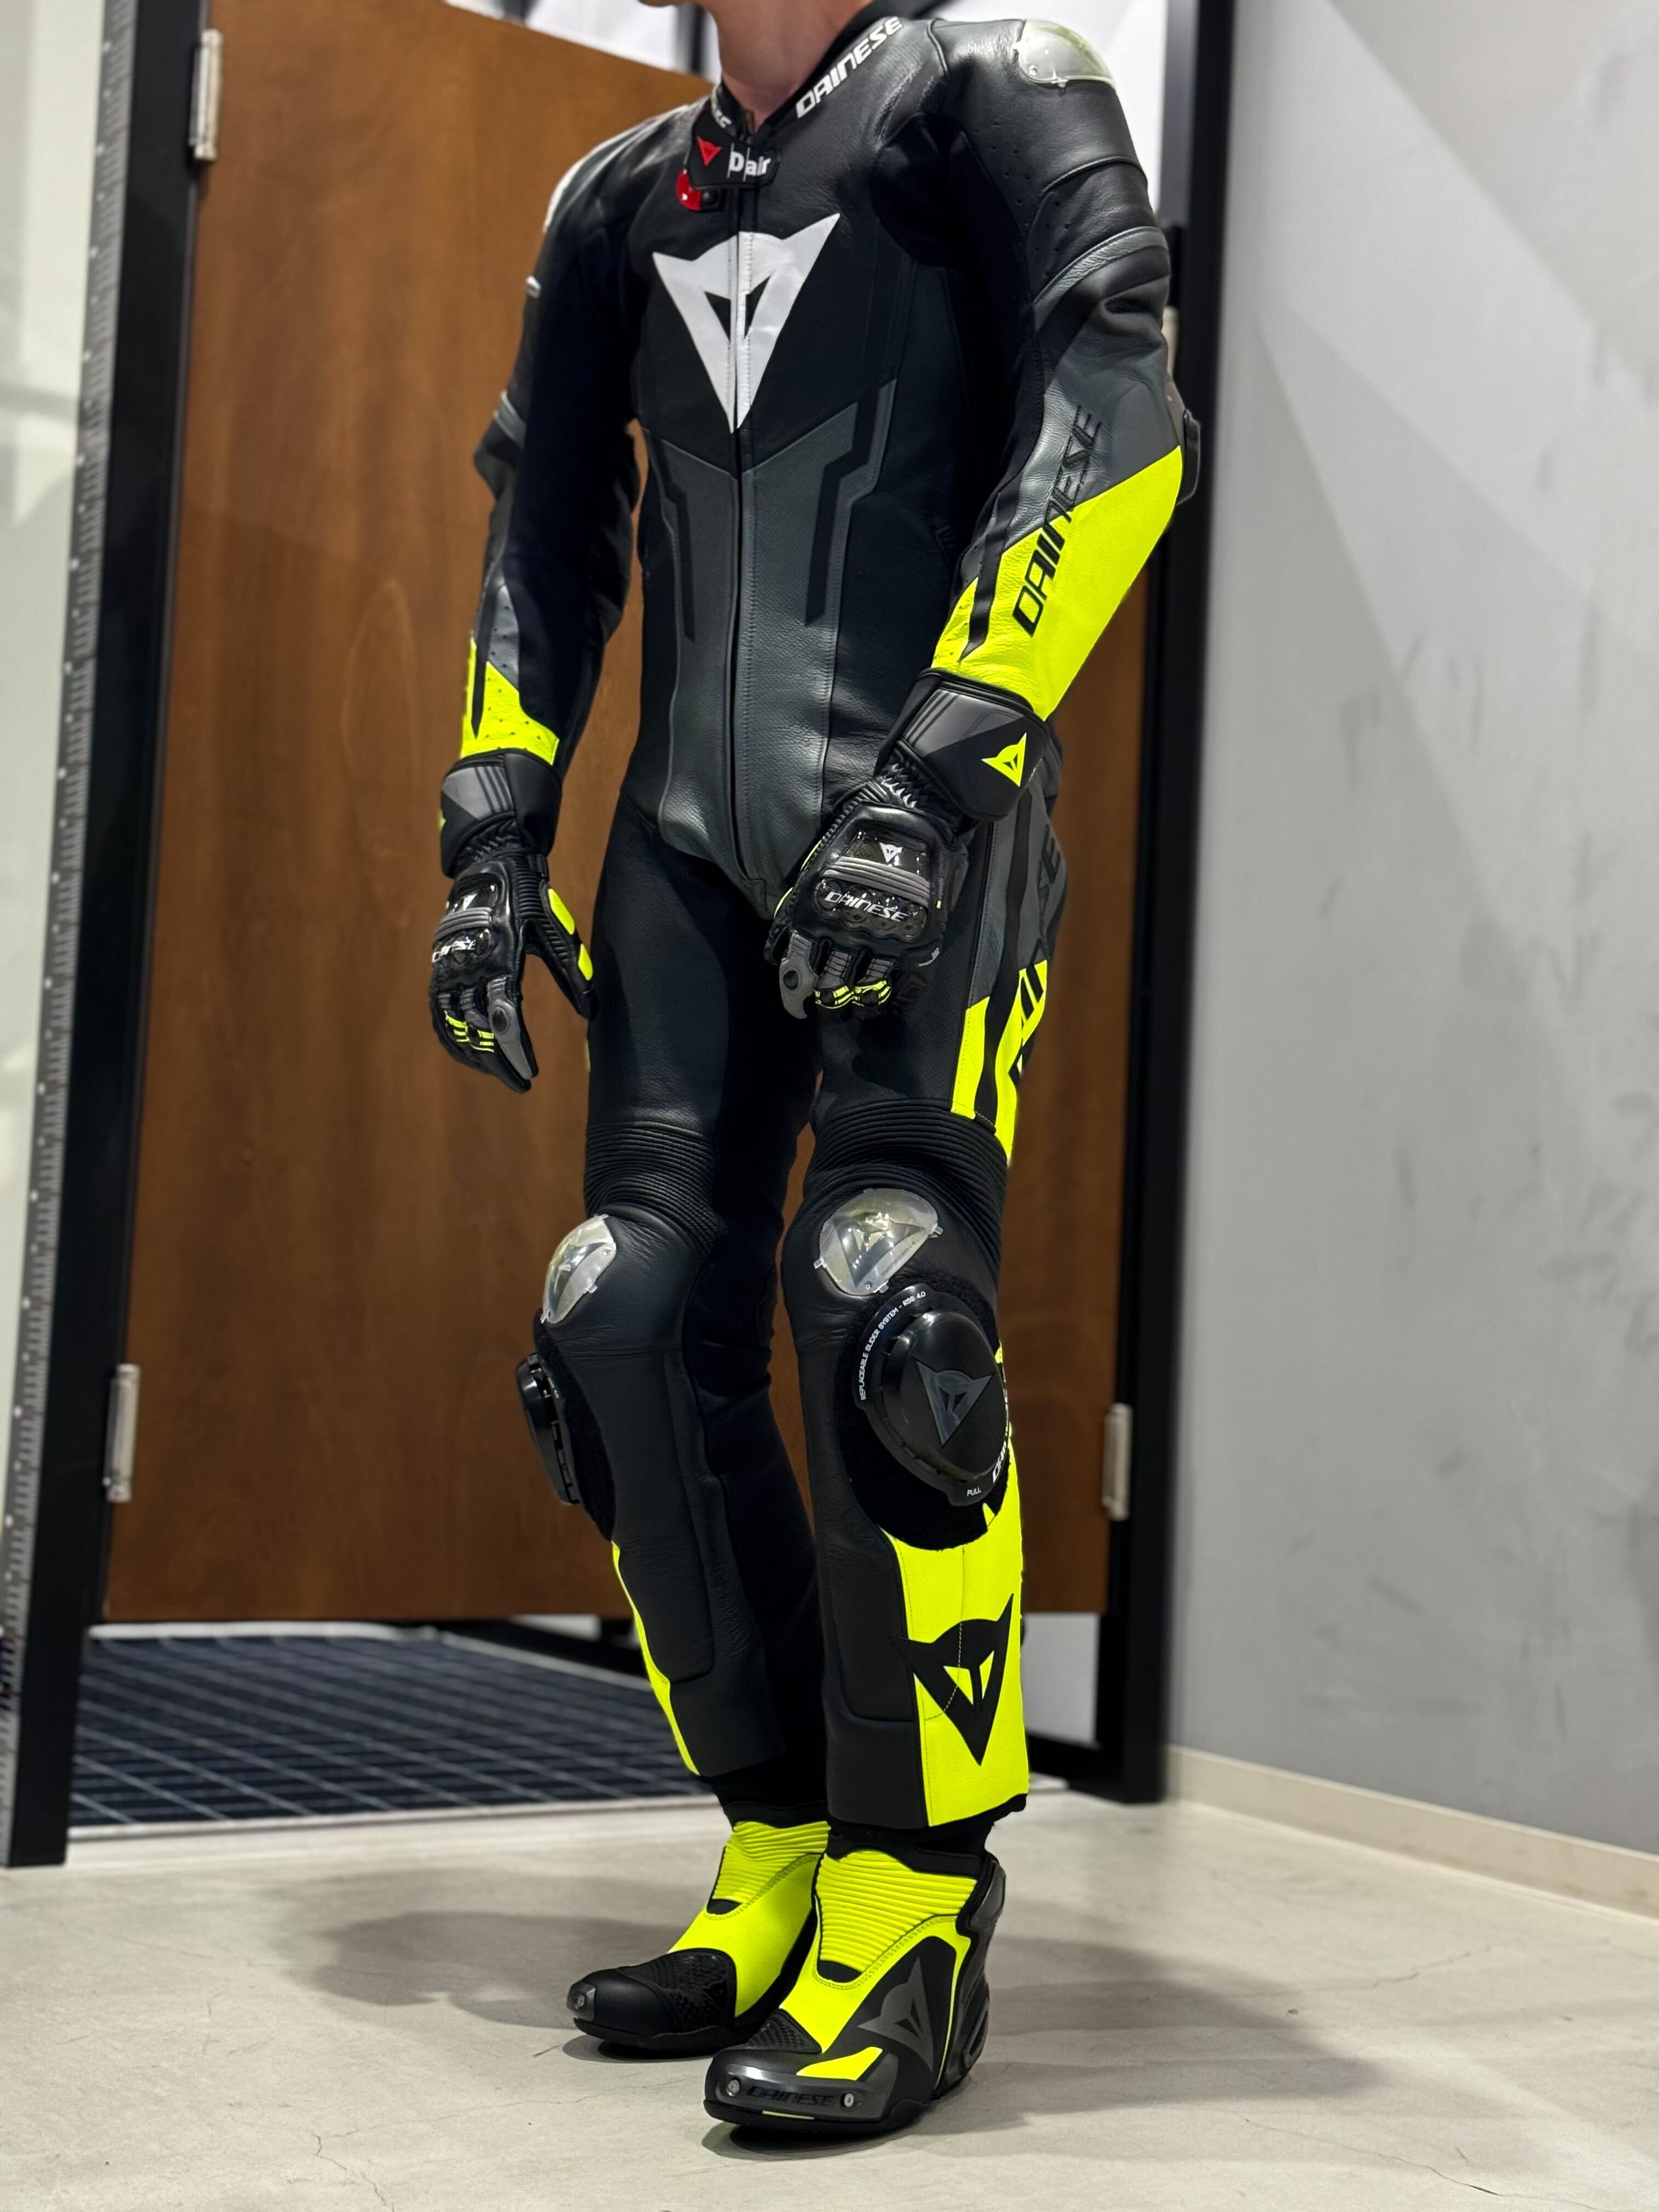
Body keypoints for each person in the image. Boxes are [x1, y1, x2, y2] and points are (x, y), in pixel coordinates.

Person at [428, 0, 1193, 2137]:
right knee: (621, 1317)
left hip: (928, 819)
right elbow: (545, 528)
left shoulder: (993, 89)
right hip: (682, 842)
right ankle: (780, 1844)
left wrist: (942, 772)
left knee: (888, 1310)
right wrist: (492, 830)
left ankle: (918, 1893)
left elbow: (1118, 408)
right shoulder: (615, 201)